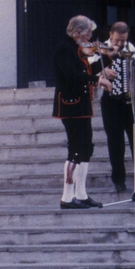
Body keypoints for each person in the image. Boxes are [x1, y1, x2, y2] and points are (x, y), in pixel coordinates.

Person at [53, 15, 111, 210]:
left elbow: (88, 70)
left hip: (82, 105)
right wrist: (97, 80)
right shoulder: (64, 48)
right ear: (77, 32)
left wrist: (108, 60)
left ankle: (81, 193)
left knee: (86, 148)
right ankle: (67, 197)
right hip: (70, 104)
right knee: (75, 149)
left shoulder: (78, 49)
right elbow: (72, 75)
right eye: (88, 34)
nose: (90, 38)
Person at [99, 22, 135, 192]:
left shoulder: (131, 48)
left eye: (123, 41)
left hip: (131, 102)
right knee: (115, 142)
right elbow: (90, 70)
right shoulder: (101, 49)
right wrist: (103, 73)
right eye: (117, 40)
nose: (119, 44)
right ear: (111, 34)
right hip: (111, 102)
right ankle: (119, 181)